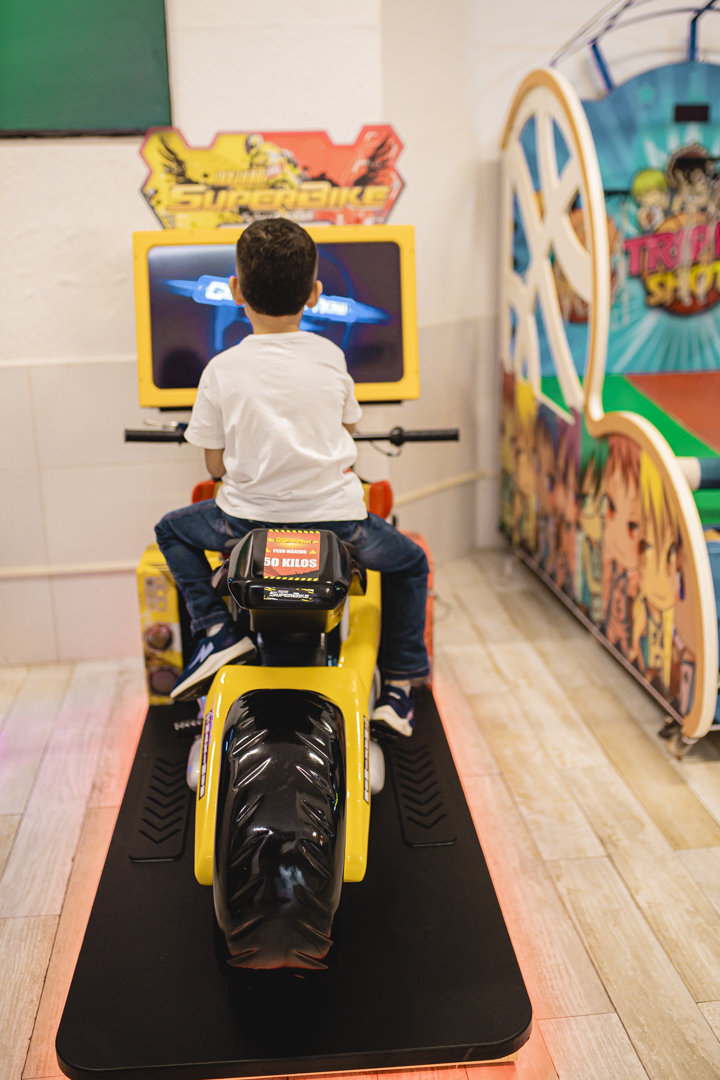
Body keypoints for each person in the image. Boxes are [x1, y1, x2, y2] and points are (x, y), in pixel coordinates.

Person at [155, 218, 428, 736]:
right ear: (315, 293)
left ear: (236, 291)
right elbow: (349, 426)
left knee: (171, 529)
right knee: (411, 563)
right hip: (339, 526)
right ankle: (399, 687)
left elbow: (214, 467)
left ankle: (216, 631)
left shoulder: (220, 369)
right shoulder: (331, 356)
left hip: (244, 525)